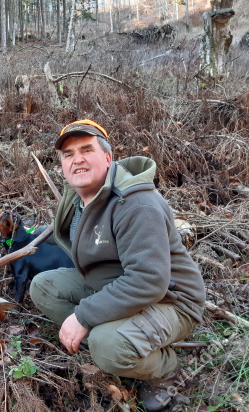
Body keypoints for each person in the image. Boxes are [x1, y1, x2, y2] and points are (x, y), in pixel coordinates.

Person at [29, 120, 206, 411]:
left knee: (106, 344)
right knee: (45, 287)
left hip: (171, 300)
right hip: (114, 283)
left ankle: (165, 369)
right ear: (61, 165)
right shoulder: (80, 198)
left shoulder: (136, 206)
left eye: (87, 149)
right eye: (68, 154)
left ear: (109, 159)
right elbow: (66, 235)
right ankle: (115, 345)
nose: (78, 159)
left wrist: (84, 317)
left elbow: (148, 280)